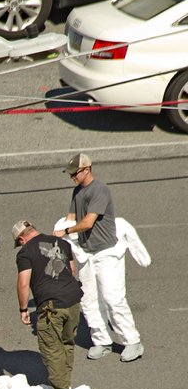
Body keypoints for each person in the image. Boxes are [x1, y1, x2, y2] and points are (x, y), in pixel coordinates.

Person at [53, 153, 144, 362]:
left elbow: (87, 222)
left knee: (113, 297)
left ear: (87, 169)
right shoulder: (77, 192)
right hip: (86, 252)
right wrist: (60, 235)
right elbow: (70, 218)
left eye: (74, 173)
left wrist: (65, 233)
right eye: (70, 174)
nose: (72, 177)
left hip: (106, 252)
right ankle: (101, 341)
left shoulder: (100, 190)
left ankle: (133, 341)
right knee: (89, 300)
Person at [13, 220, 83, 389]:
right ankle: (64, 383)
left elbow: (23, 283)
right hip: (73, 301)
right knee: (67, 342)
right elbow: (72, 270)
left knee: (51, 348)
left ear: (21, 238)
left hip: (51, 306)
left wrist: (23, 309)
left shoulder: (25, 252)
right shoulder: (63, 243)